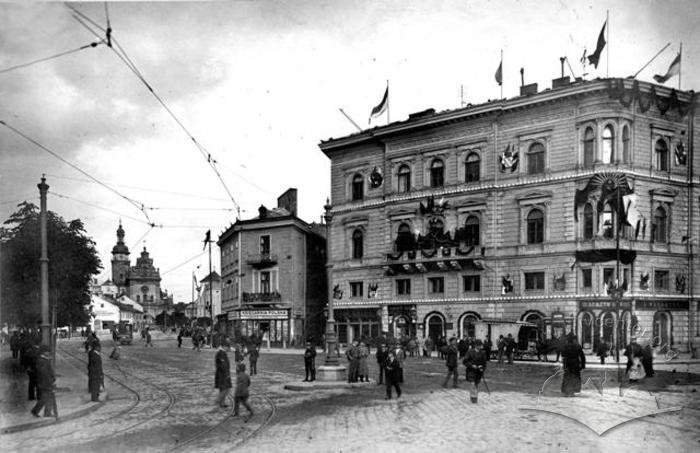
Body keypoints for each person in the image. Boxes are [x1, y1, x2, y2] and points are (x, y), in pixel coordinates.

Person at [32, 345, 58, 418]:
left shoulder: (44, 359)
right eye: (47, 352)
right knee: (47, 398)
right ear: (44, 352)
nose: (48, 353)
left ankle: (39, 411)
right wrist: (50, 380)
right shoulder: (41, 361)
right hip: (45, 382)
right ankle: (44, 412)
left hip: (45, 382)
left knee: (45, 398)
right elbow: (44, 372)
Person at [464, 339, 488, 403]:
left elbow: (484, 363)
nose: (479, 347)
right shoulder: (470, 352)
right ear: (475, 345)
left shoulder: (482, 353)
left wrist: (482, 369)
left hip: (478, 372)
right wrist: (471, 365)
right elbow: (465, 361)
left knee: (476, 384)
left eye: (480, 345)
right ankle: (473, 397)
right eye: (478, 345)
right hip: (471, 371)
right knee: (472, 383)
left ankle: (475, 396)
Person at [215, 339, 232, 408]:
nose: (229, 348)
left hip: (222, 373)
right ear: (225, 346)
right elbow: (223, 365)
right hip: (222, 374)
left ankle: (222, 403)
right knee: (226, 388)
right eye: (228, 347)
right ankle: (218, 400)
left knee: (223, 388)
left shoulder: (222, 352)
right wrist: (227, 374)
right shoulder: (221, 353)